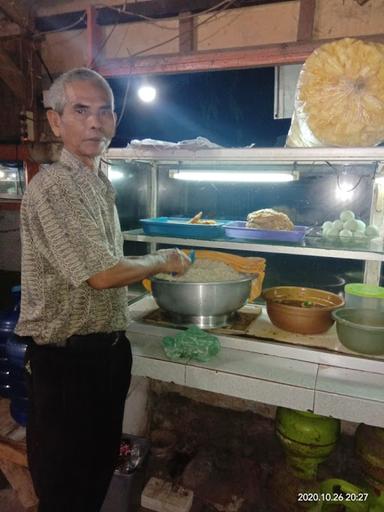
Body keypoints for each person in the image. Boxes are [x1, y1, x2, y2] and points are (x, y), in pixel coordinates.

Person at [15, 67, 191, 512]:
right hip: (67, 364)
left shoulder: (98, 182)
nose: (95, 122)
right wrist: (162, 259)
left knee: (93, 478)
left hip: (106, 355)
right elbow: (101, 274)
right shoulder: (54, 185)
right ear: (56, 122)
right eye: (80, 111)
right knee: (65, 489)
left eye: (105, 111)